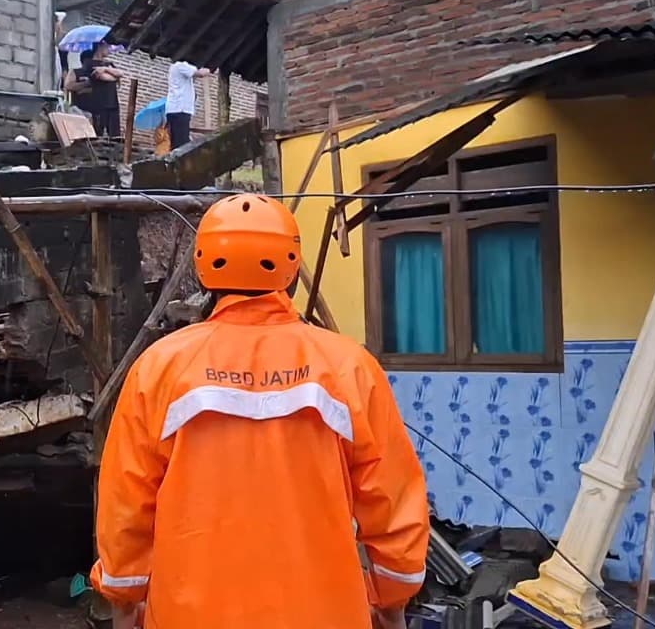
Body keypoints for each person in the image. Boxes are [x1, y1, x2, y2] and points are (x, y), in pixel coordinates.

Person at [92, 194, 429, 629]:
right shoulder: (347, 366)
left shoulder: (159, 368)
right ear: (291, 265)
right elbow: (392, 499)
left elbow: (126, 505)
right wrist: (392, 598)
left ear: (203, 267)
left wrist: (125, 598)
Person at [165, 61, 211, 150]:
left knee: (178, 143)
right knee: (181, 145)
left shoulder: (177, 68)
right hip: (180, 109)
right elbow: (201, 73)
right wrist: (210, 68)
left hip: (176, 109)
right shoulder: (181, 65)